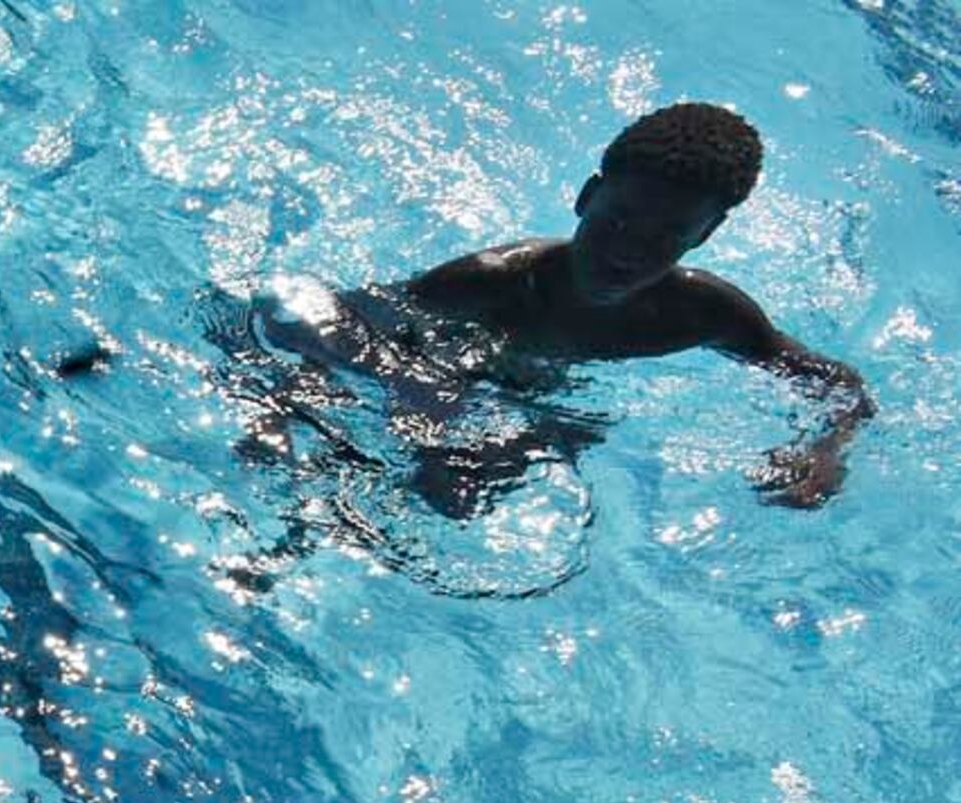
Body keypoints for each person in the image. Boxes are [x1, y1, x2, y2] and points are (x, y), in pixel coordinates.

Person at [301, 102, 872, 510]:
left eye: (662, 239)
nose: (625, 255)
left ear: (704, 236)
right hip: (460, 368)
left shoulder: (702, 314)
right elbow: (347, 325)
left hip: (551, 403)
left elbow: (841, 389)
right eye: (616, 221)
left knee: (466, 496)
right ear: (585, 197)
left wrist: (824, 452)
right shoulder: (488, 281)